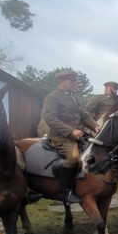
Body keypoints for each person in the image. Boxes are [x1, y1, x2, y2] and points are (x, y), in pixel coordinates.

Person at [41, 69, 100, 205]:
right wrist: (70, 131)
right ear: (61, 80)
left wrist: (96, 127)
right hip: (61, 136)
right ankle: (65, 191)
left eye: (75, 81)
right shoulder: (52, 97)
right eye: (72, 80)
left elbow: (85, 116)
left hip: (79, 134)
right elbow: (49, 118)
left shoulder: (76, 97)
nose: (75, 83)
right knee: (73, 158)